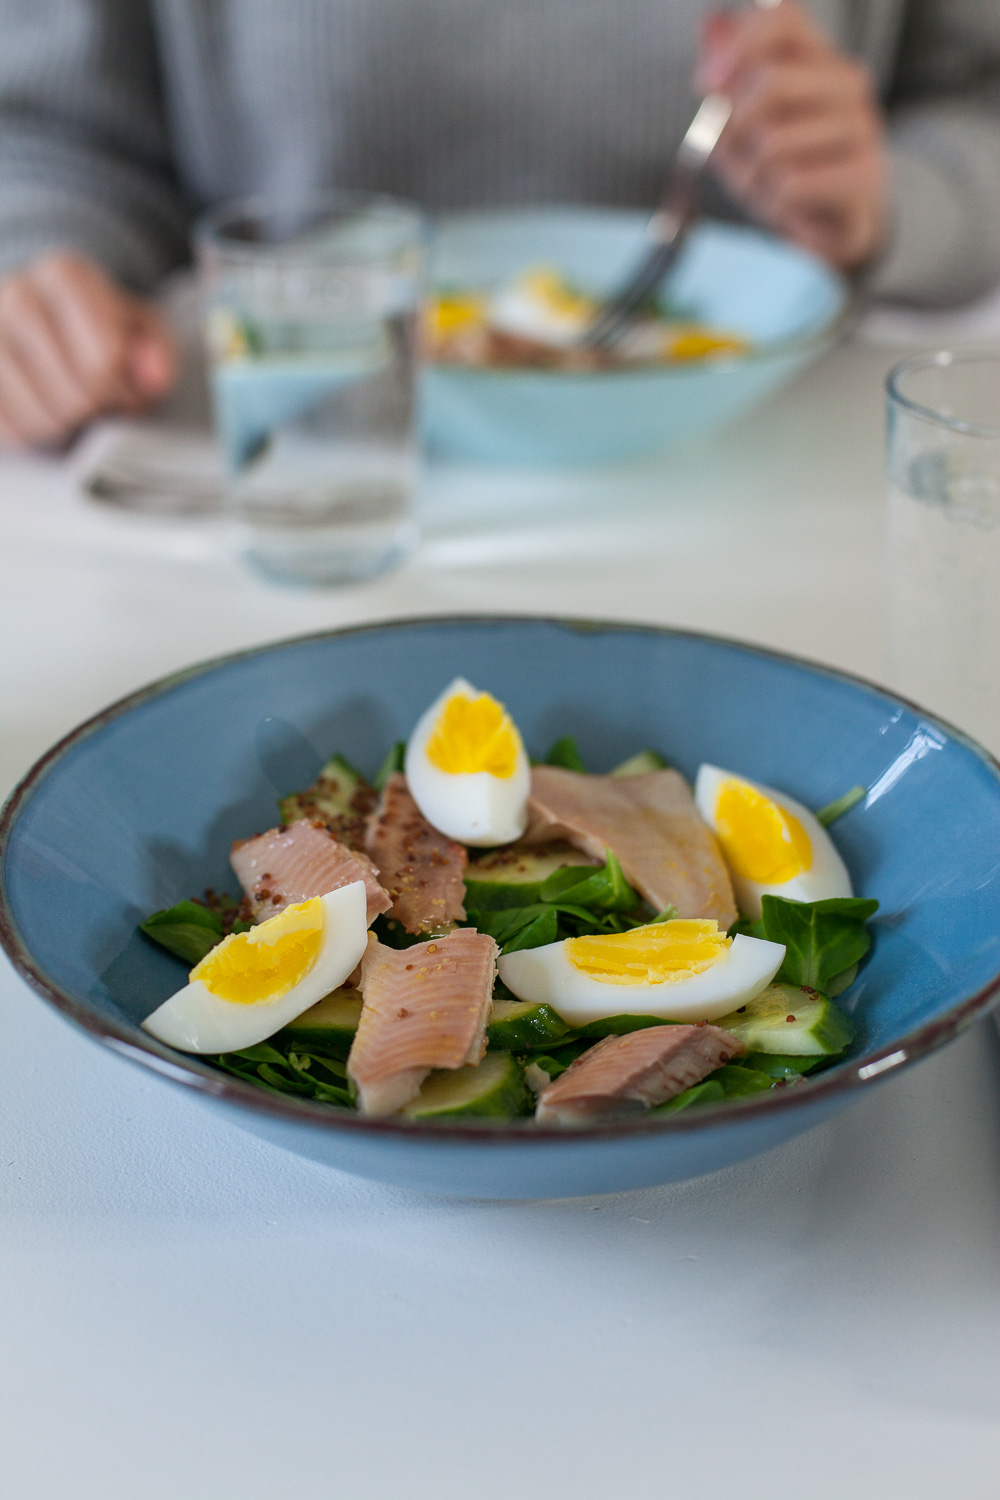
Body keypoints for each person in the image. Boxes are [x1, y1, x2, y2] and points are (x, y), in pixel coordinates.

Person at [0, 0, 996, 449]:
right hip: (278, 466)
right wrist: (41, 270)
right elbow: (52, 129)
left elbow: (974, 100)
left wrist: (893, 197)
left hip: (781, 464)